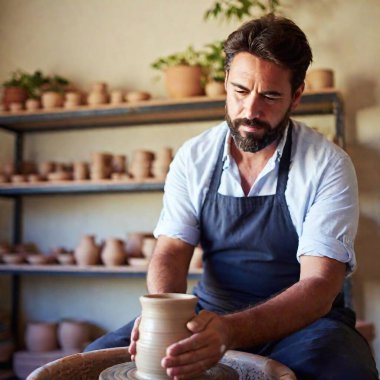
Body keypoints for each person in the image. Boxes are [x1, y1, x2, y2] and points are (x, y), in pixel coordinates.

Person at [85, 14, 378, 379]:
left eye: (270, 96)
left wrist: (231, 331)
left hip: (303, 324)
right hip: (208, 315)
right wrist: (164, 310)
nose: (251, 111)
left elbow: (318, 287)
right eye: (241, 91)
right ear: (225, 82)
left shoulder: (326, 165)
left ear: (297, 95)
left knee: (344, 369)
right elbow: (172, 250)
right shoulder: (194, 157)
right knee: (95, 360)